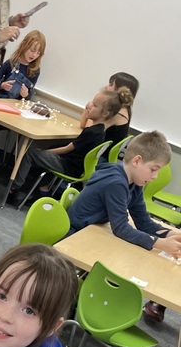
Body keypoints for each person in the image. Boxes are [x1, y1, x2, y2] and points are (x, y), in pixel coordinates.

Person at [67, 132, 181, 323]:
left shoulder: (134, 183)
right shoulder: (116, 182)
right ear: (137, 161)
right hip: (75, 235)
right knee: (127, 261)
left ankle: (97, 308)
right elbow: (121, 228)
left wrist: (173, 234)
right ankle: (92, 308)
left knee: (133, 255)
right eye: (154, 169)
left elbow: (143, 221)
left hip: (94, 231)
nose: (155, 177)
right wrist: (160, 244)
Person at [7, 88, 125, 204]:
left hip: (68, 167)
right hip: (76, 166)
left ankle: (14, 188)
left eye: (94, 105)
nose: (89, 106)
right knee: (45, 150)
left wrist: (45, 152)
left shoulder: (92, 131)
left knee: (31, 153)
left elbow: (67, 149)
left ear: (105, 113)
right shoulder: (101, 130)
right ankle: (42, 189)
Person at [81, 71, 138, 148]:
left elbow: (87, 129)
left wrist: (94, 103)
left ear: (120, 90)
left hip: (97, 156)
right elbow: (83, 125)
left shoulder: (116, 113)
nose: (106, 87)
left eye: (111, 84)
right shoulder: (124, 110)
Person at [0, 30, 46, 100]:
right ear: (24, 46)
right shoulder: (10, 63)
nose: (34, 55)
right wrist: (1, 85)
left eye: (38, 53)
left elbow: (30, 93)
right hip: (1, 99)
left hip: (16, 104)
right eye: (32, 51)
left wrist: (26, 94)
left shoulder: (35, 71)